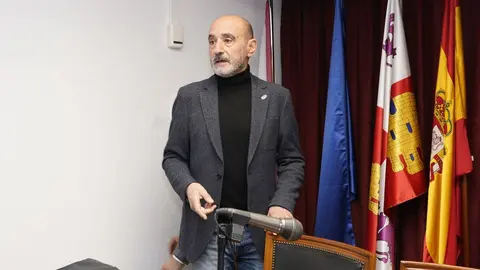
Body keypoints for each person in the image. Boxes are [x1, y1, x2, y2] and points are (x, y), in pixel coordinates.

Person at [162, 14, 305, 270]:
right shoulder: (190, 97)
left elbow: (292, 161)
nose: (218, 49)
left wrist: (281, 203)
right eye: (212, 41)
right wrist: (189, 186)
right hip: (208, 232)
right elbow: (173, 157)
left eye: (228, 40)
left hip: (260, 230)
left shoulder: (277, 98)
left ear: (251, 47)